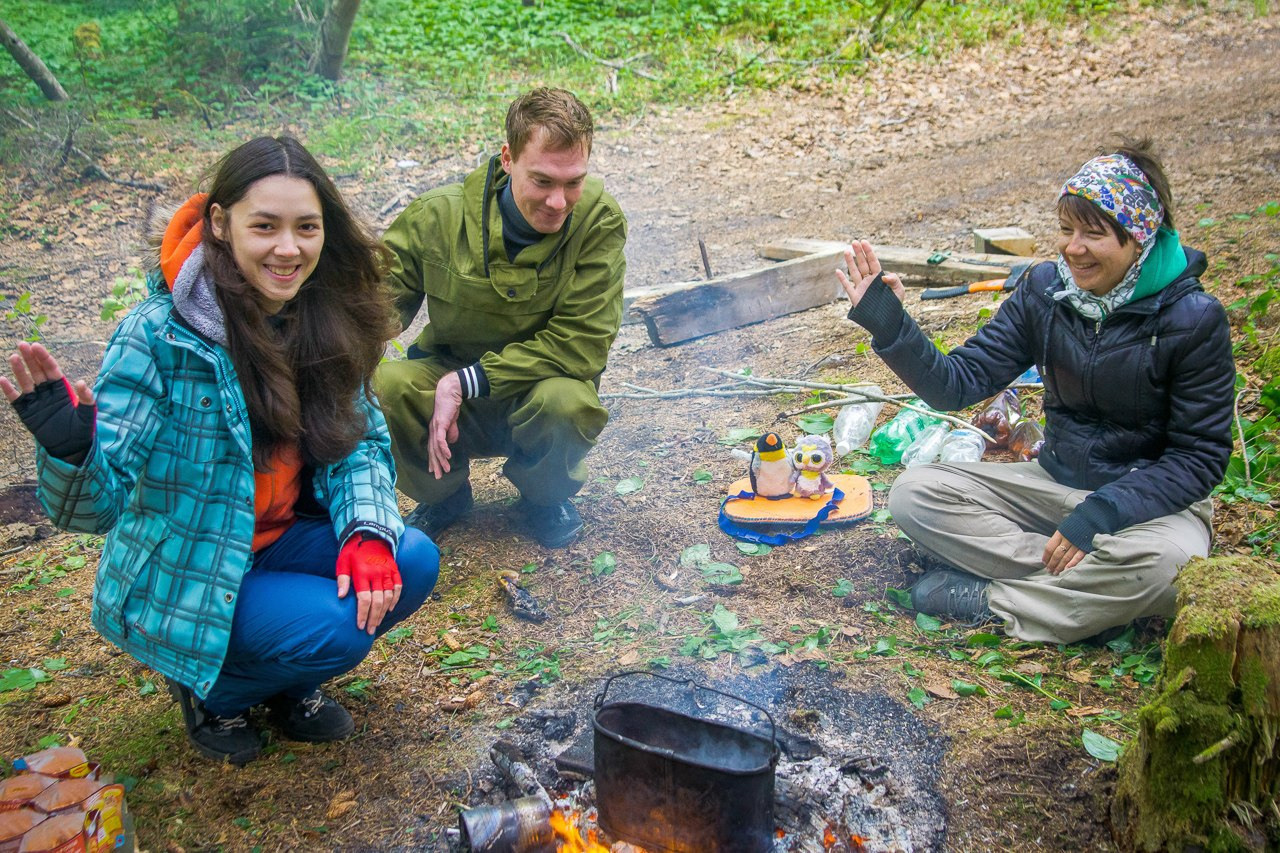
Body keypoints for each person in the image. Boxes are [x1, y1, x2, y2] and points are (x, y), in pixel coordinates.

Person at [2, 136, 440, 766]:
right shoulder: (157, 336)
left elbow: (359, 443)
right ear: (219, 223)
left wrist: (367, 533)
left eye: (306, 227)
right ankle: (216, 692)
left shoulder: (323, 317)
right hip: (192, 569)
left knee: (411, 559)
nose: (288, 248)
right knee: (336, 628)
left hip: (281, 538)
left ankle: (286, 678)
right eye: (264, 226)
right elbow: (95, 511)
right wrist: (72, 450)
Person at [836, 140, 1235, 644]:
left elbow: (1199, 458)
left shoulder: (1193, 319)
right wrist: (889, 322)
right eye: (1067, 230)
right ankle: (1085, 589)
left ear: (1140, 239)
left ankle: (993, 600)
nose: (1073, 248)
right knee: (914, 494)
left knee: (1171, 567)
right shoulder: (1046, 292)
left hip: (1149, 508)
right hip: (1052, 484)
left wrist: (1105, 510)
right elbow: (956, 383)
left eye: (1094, 234)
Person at [375, 87, 628, 549]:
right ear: (508, 158)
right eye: (542, 181)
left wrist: (466, 382)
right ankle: (444, 496)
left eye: (573, 182)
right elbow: (367, 311)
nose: (559, 201)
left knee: (568, 403)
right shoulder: (438, 219)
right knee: (387, 386)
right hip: (446, 392)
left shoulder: (598, 221)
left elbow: (582, 344)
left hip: (539, 390)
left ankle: (543, 498)